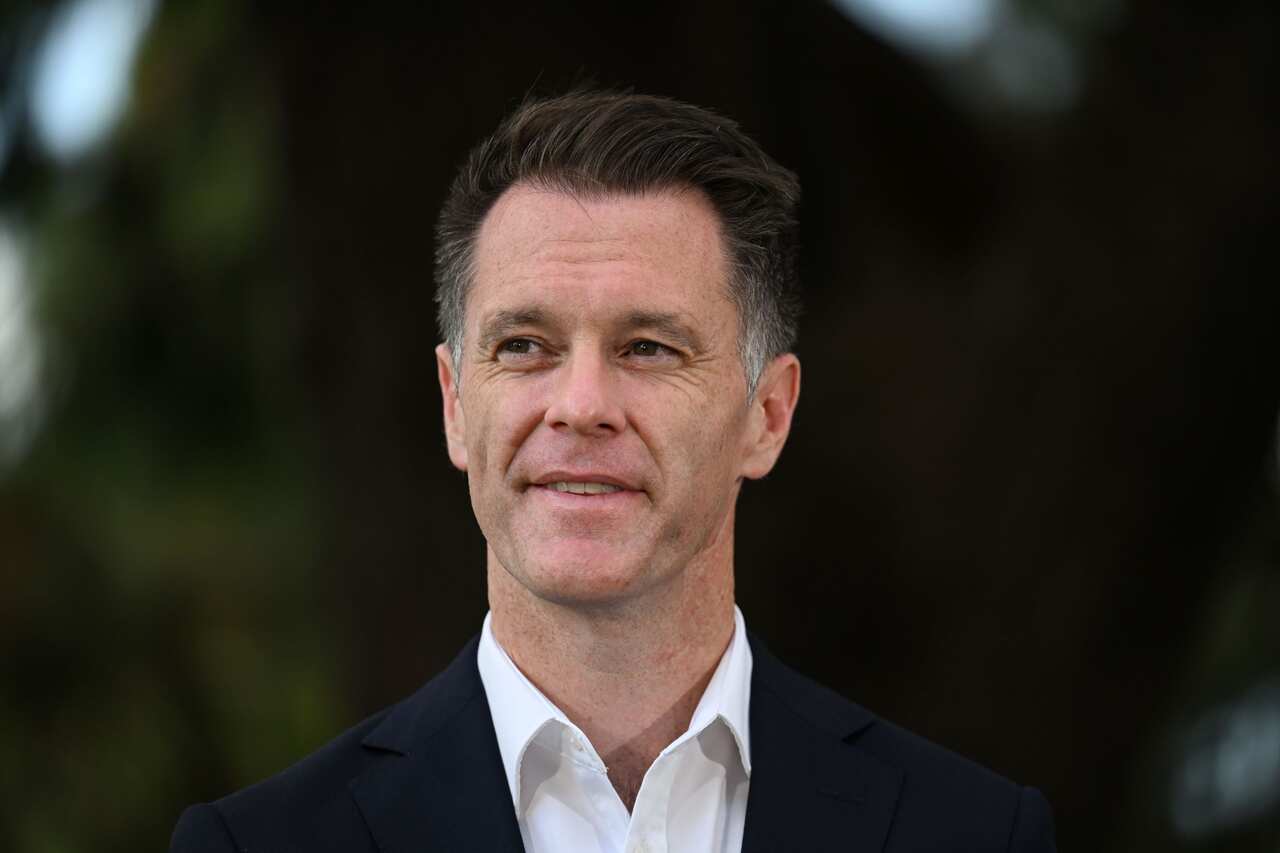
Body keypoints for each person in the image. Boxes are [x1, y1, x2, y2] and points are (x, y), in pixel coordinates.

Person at [171, 90, 1057, 852]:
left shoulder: (975, 834)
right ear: (454, 404)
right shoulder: (258, 845)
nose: (581, 403)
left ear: (767, 415)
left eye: (648, 347)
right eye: (524, 345)